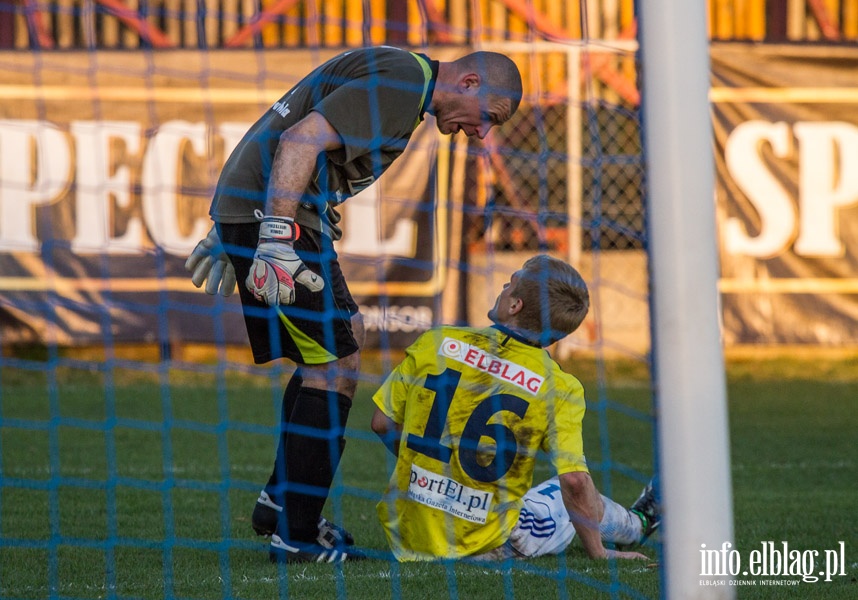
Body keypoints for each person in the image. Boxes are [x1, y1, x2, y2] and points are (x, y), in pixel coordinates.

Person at [184, 46, 523, 564]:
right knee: (332, 364)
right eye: (489, 119)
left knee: (347, 339)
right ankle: (295, 535)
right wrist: (270, 233)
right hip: (280, 222)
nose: (482, 134)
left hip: (274, 213)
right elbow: (300, 138)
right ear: (470, 82)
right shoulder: (405, 83)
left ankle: (281, 502)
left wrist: (235, 214)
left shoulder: (403, 77)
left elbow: (288, 123)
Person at [370, 255, 660, 561]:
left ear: (515, 306)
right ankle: (638, 524)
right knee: (567, 496)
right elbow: (573, 481)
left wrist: (434, 477)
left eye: (511, 282)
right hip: (485, 542)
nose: (504, 287)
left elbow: (380, 423)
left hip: (409, 533)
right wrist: (598, 553)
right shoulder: (559, 386)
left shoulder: (436, 341)